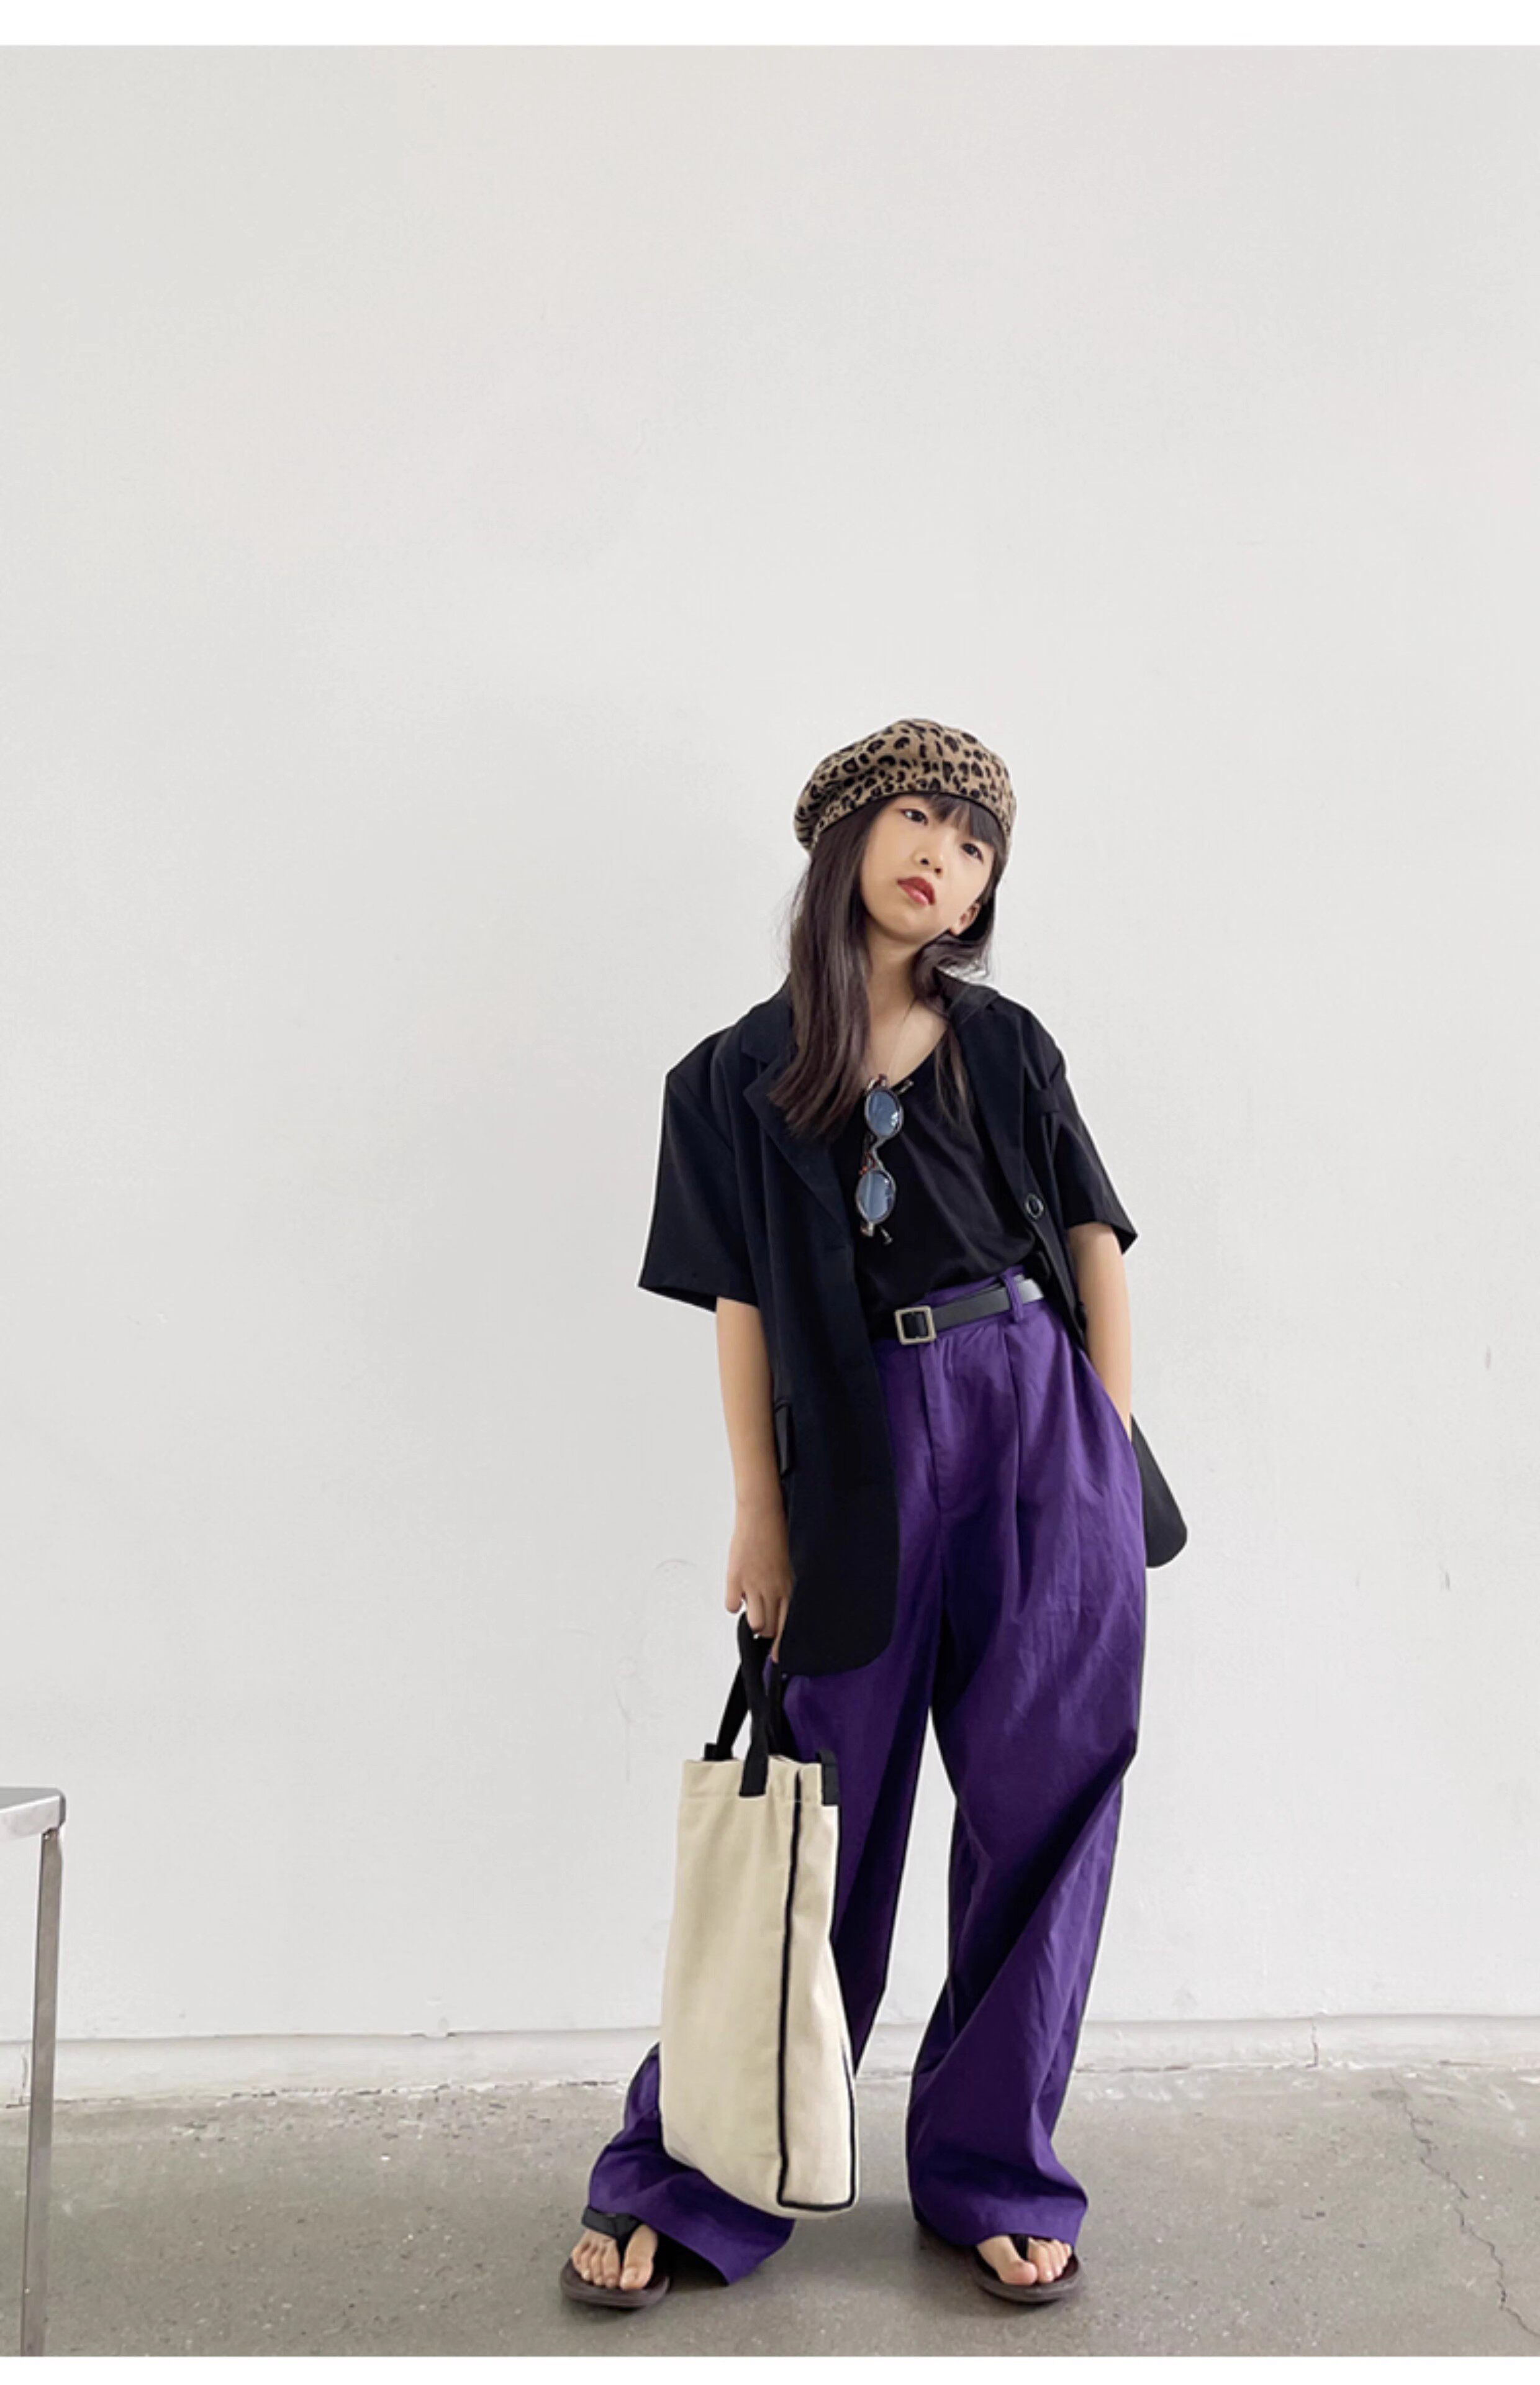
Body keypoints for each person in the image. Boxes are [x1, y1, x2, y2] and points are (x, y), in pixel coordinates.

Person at [560, 719, 1148, 2313]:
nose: (943, 858)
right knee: (815, 1819)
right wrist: (757, 1514)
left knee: (1046, 1807)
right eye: (919, 820)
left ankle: (992, 2173)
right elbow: (739, 1305)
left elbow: (1090, 1238)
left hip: (1035, 1418)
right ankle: (699, 2174)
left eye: (975, 846)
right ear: (844, 840)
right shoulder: (728, 1079)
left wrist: (1100, 1441)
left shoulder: (1006, 1045)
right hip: (858, 1447)